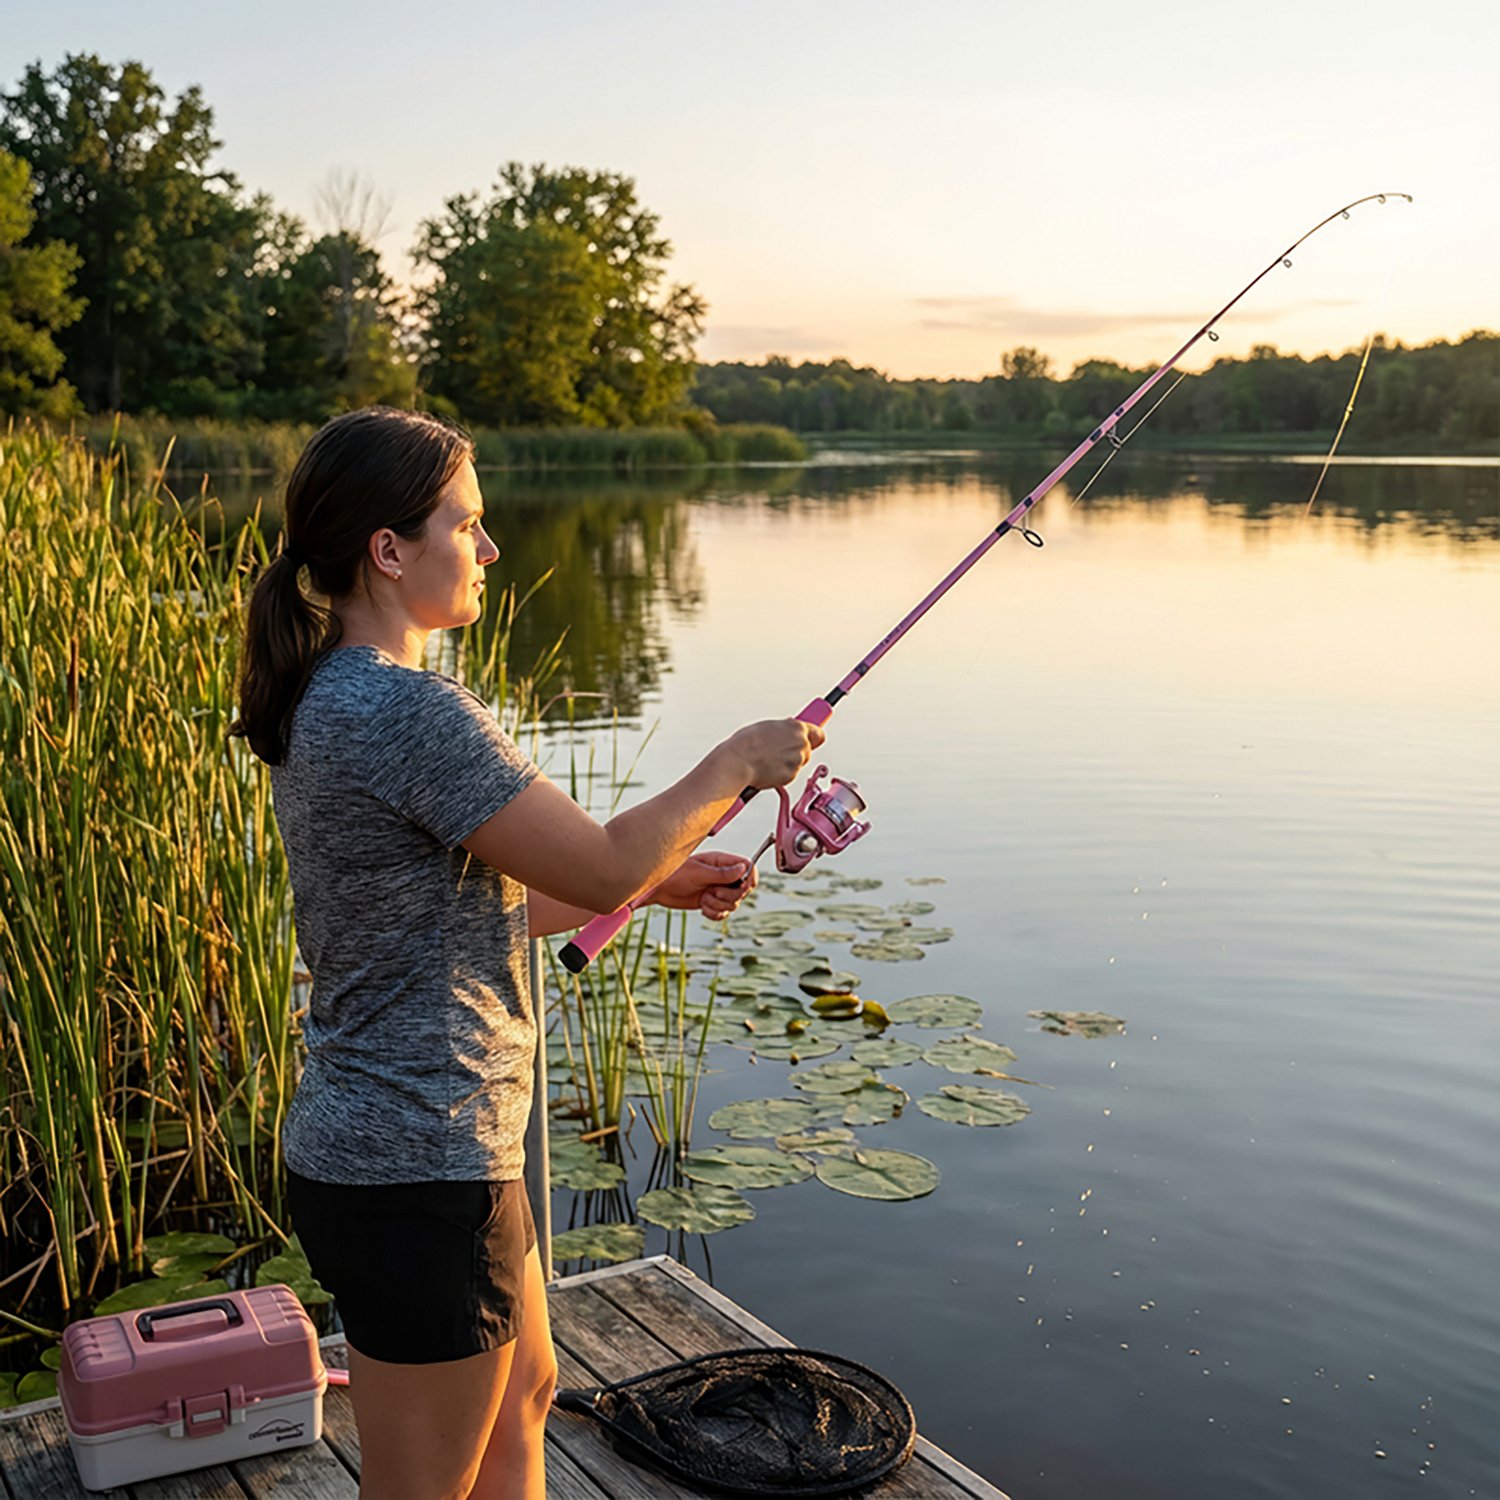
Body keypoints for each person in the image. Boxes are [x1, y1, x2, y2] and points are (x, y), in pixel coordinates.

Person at [230, 405, 824, 1500]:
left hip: (429, 1154)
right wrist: (736, 763)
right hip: (419, 1165)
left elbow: (469, 907)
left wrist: (661, 878)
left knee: (527, 1402)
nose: (492, 548)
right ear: (389, 551)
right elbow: (595, 866)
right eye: (470, 524)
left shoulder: (336, 693)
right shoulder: (404, 710)